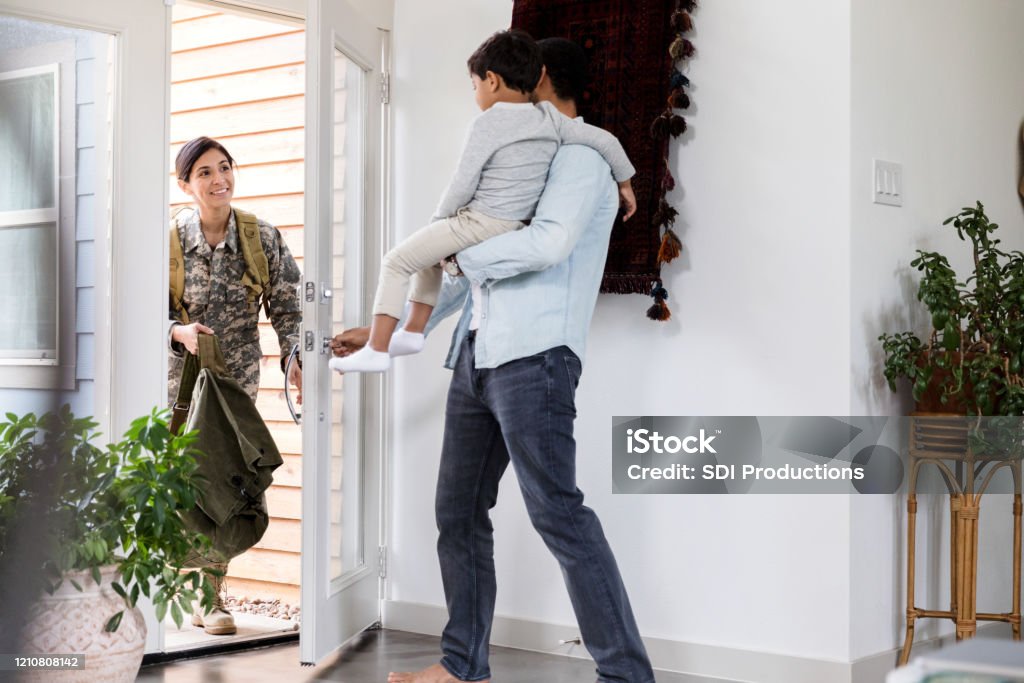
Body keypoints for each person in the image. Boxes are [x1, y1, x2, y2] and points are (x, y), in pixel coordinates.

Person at [333, 38, 656, 683]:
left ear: (536, 80)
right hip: (479, 355)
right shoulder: (535, 156)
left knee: (558, 513)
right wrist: (387, 325)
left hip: (536, 358)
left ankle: (625, 676)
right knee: (456, 512)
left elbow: (547, 244)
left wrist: (455, 254)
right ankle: (461, 668)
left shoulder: (579, 160)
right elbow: (475, 267)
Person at [329, 29, 636, 374]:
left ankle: (382, 346)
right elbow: (468, 274)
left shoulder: (574, 158)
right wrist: (626, 180)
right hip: (479, 341)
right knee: (426, 259)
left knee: (400, 260)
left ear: (539, 75)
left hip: (528, 348)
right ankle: (402, 335)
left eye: (475, 83)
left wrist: (445, 233)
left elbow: (537, 241)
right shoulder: (548, 130)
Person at [167, 136, 303, 635]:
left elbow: (289, 305)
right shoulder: (168, 241)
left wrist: (297, 359)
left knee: (225, 480)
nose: (218, 179)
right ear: (185, 184)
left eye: (224, 168)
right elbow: (138, 307)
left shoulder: (260, 237)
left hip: (235, 387)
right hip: (176, 387)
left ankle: (211, 595)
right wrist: (175, 332)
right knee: (180, 486)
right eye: (204, 172)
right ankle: (175, 586)